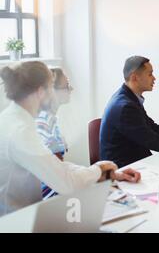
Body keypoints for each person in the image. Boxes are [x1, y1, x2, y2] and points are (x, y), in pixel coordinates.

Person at [0, 62, 141, 217]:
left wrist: (103, 171)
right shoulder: (20, 132)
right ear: (41, 92)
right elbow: (66, 183)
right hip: (17, 220)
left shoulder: (14, 119)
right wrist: (99, 170)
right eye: (50, 86)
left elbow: (54, 165)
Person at [35, 68, 73, 199]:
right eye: (66, 86)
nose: (71, 89)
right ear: (52, 91)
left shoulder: (49, 119)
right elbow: (53, 172)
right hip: (47, 197)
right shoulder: (44, 122)